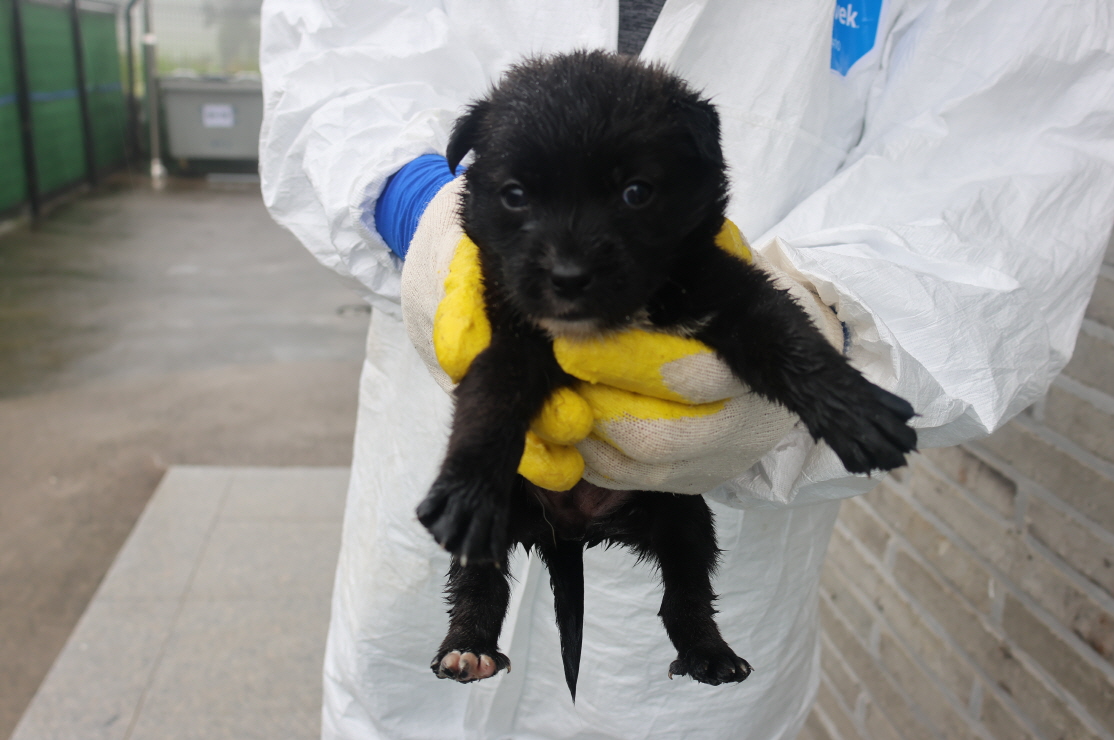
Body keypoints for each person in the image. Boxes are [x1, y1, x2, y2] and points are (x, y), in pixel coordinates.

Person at [258, 2, 1114, 738]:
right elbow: (333, 52)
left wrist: (841, 349)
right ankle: (470, 628)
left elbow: (1016, 159)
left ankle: (693, 635)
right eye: (519, 195)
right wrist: (410, 201)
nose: (563, 260)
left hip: (714, 512)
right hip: (428, 438)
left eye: (631, 194)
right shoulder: (491, 225)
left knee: (684, 544)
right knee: (478, 521)